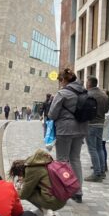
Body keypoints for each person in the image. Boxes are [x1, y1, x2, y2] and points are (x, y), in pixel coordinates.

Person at [47, 67, 88, 202]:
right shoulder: (84, 91)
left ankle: (62, 191)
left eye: (61, 81)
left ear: (64, 80)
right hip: (81, 129)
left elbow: (52, 114)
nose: (60, 83)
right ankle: (78, 191)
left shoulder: (63, 93)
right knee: (75, 159)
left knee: (62, 160)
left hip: (65, 130)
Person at [9, 150, 66, 216]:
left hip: (54, 201)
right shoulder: (42, 162)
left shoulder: (31, 169)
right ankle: (41, 211)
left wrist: (16, 190)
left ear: (21, 171)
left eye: (19, 175)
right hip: (63, 198)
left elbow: (24, 194)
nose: (20, 177)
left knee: (27, 193)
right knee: (34, 188)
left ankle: (47, 212)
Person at [84, 77, 109, 182]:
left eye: (86, 82)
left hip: (91, 124)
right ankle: (102, 171)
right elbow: (106, 110)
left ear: (89, 84)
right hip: (100, 123)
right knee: (99, 148)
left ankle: (97, 173)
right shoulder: (104, 95)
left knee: (92, 149)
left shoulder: (88, 94)